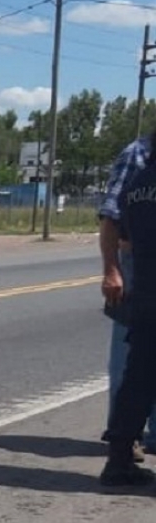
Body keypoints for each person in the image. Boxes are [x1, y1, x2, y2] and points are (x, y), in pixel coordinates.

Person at [100, 127, 156, 485]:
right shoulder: (135, 163)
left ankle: (119, 458)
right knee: (137, 373)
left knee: (139, 376)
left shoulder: (140, 182)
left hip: (148, 290)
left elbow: (128, 233)